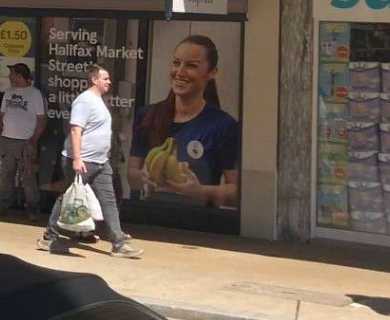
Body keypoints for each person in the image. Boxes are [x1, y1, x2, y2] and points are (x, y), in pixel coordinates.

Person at [39, 66, 141, 259]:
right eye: (106, 78)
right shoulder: (84, 101)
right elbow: (75, 130)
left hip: (101, 162)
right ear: (94, 80)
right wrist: (77, 158)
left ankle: (118, 243)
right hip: (83, 160)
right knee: (69, 197)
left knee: (109, 200)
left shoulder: (98, 101)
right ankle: (49, 237)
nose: (109, 82)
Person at [128, 35, 240, 209]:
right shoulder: (147, 115)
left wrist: (200, 191)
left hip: (201, 227)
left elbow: (237, 192)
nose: (180, 72)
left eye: (191, 66)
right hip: (149, 219)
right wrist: (143, 177)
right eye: (176, 63)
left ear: (212, 73)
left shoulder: (224, 125)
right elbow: (131, 174)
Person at [0, 63, 47, 219]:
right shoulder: (8, 93)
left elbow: (42, 119)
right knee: (6, 175)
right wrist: (0, 133)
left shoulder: (35, 94)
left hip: (25, 141)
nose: (10, 77)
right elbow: (1, 115)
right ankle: (3, 205)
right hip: (7, 140)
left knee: (28, 177)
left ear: (20, 76)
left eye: (12, 74)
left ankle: (32, 207)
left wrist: (34, 139)